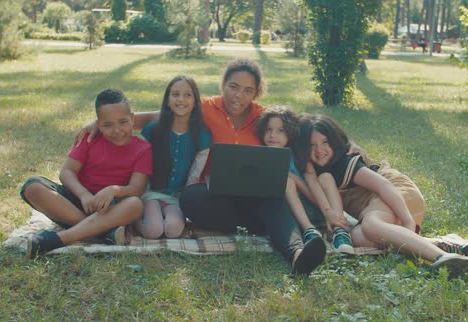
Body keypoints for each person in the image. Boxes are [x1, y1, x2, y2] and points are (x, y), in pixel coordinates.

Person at [75, 58, 326, 276]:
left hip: (254, 195)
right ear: (223, 85)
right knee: (191, 198)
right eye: (233, 87)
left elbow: (304, 125)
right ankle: (259, 225)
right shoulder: (204, 107)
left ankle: (297, 254)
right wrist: (97, 123)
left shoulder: (263, 116)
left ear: (256, 93)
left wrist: (349, 145)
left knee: (275, 200)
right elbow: (159, 115)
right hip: (216, 195)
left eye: (248, 90)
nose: (238, 96)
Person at [294, 114, 468, 279]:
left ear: (335, 141)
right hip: (377, 207)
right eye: (312, 145)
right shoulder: (318, 173)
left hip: (398, 193)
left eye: (325, 142)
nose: (319, 150)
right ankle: (445, 244)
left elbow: (384, 185)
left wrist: (408, 222)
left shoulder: (344, 163)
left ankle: (441, 257)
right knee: (358, 237)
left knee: (371, 225)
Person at [21, 89, 152, 258]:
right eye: (108, 125)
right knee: (33, 187)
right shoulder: (89, 139)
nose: (117, 130)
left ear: (133, 119)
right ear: (98, 124)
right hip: (79, 201)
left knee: (135, 204)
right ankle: (103, 233)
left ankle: (61, 238)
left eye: (123, 122)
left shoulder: (143, 149)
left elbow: (137, 188)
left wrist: (114, 190)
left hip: (112, 207)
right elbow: (67, 172)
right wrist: (83, 195)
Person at [254, 105, 355, 256]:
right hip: (294, 214)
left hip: (318, 205)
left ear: (290, 133)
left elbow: (313, 184)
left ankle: (340, 231)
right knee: (287, 182)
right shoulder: (263, 157)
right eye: (268, 129)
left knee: (325, 178)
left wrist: (327, 211)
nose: (272, 135)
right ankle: (310, 231)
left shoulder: (300, 157)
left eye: (280, 130)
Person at [138, 75, 211, 239]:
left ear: (195, 102)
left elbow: (195, 173)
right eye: (175, 94)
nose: (181, 100)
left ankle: (167, 218)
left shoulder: (202, 134)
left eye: (187, 95)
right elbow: (138, 164)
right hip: (151, 192)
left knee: (173, 230)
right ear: (167, 100)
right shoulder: (153, 129)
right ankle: (133, 220)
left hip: (177, 196)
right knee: (153, 231)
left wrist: (186, 197)